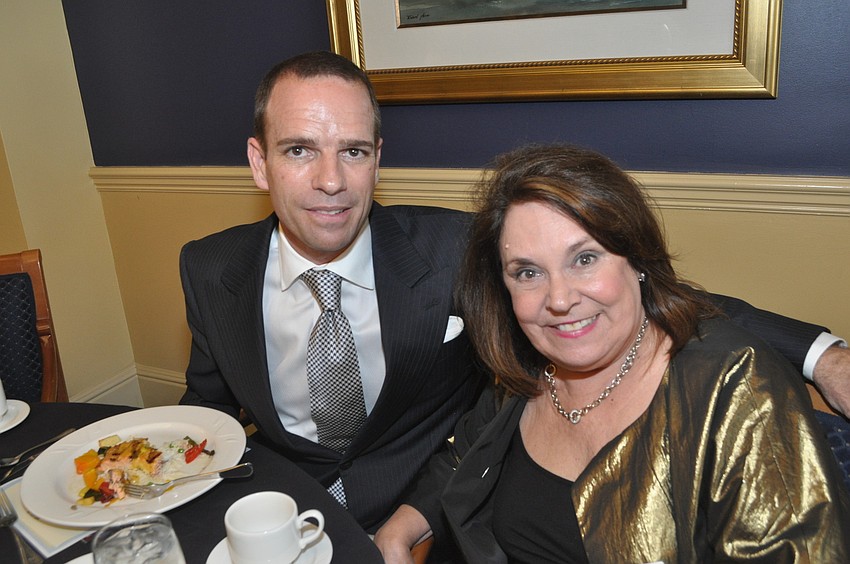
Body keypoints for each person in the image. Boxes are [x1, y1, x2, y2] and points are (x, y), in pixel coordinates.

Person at [179, 51, 850, 537]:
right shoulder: (210, 268)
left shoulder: (453, 250)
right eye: (300, 151)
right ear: (258, 163)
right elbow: (205, 411)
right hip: (268, 520)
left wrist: (823, 355)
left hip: (423, 517)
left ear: (377, 158)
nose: (333, 180)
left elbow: (641, 298)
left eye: (353, 151)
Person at [375, 145, 850, 562]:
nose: (559, 299)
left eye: (585, 259)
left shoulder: (735, 389)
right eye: (527, 273)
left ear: (637, 260)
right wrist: (399, 529)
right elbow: (463, 457)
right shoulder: (527, 371)